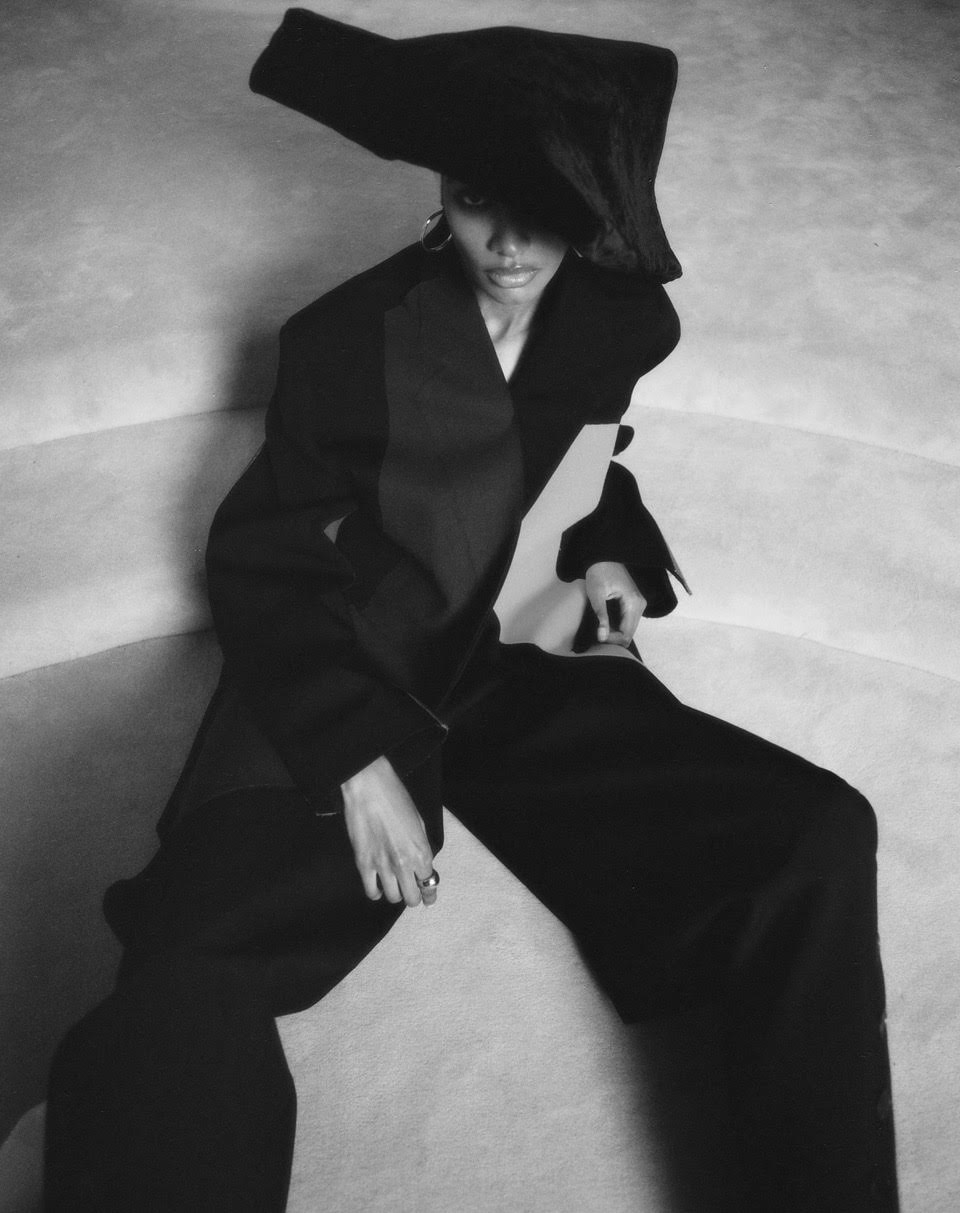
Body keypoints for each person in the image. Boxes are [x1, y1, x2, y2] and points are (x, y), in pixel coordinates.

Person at [43, 10, 899, 1212]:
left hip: (516, 669)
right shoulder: (344, 341)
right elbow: (262, 557)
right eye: (478, 198)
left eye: (545, 211)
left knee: (814, 834)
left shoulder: (621, 320)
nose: (507, 243)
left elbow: (583, 452)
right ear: (441, 188)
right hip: (363, 661)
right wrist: (356, 763)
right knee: (189, 952)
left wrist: (607, 546)